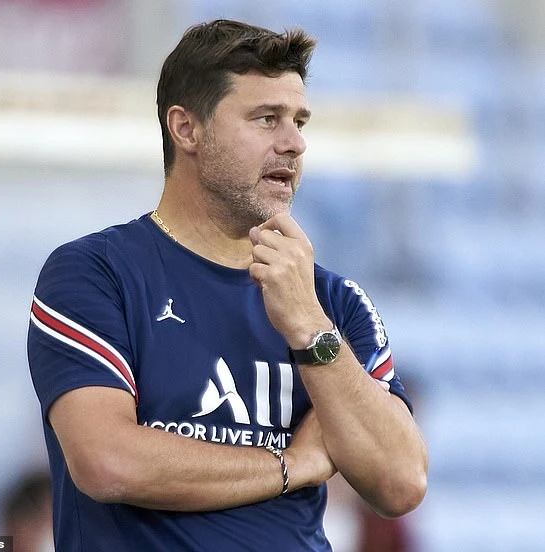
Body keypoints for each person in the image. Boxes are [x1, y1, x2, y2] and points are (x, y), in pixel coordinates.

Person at [27, 19, 428, 551]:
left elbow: (402, 483)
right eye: (266, 119)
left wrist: (309, 327)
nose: (293, 144)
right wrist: (293, 464)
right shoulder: (94, 274)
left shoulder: (332, 301)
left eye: (299, 122)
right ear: (186, 129)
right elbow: (108, 462)